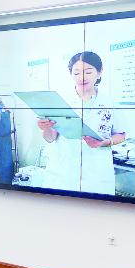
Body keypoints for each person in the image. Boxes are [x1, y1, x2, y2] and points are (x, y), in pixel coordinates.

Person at [37, 51, 125, 195]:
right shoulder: (61, 101)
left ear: (99, 72)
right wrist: (45, 128)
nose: (82, 77)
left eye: (88, 72)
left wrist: (105, 142)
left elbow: (121, 135)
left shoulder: (110, 101)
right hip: (63, 172)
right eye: (76, 73)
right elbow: (50, 138)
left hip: (97, 173)